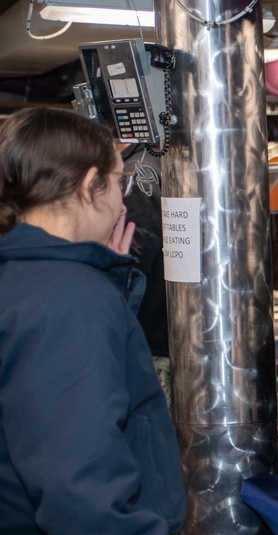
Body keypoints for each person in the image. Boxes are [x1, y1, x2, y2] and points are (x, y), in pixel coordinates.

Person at [0, 109, 199, 535]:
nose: (120, 199)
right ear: (90, 186)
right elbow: (75, 488)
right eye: (118, 181)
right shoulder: (67, 302)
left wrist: (96, 279)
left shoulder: (35, 280)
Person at [120, 145, 172, 407]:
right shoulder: (158, 159)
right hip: (170, 341)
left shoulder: (136, 176)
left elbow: (130, 268)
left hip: (151, 350)